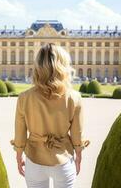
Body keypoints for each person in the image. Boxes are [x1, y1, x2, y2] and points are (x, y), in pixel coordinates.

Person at [10, 43, 90, 188]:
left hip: (34, 161)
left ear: (38, 66)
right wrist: (78, 155)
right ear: (63, 66)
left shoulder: (24, 97)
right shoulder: (74, 97)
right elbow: (77, 134)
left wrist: (18, 155)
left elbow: (20, 133)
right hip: (62, 160)